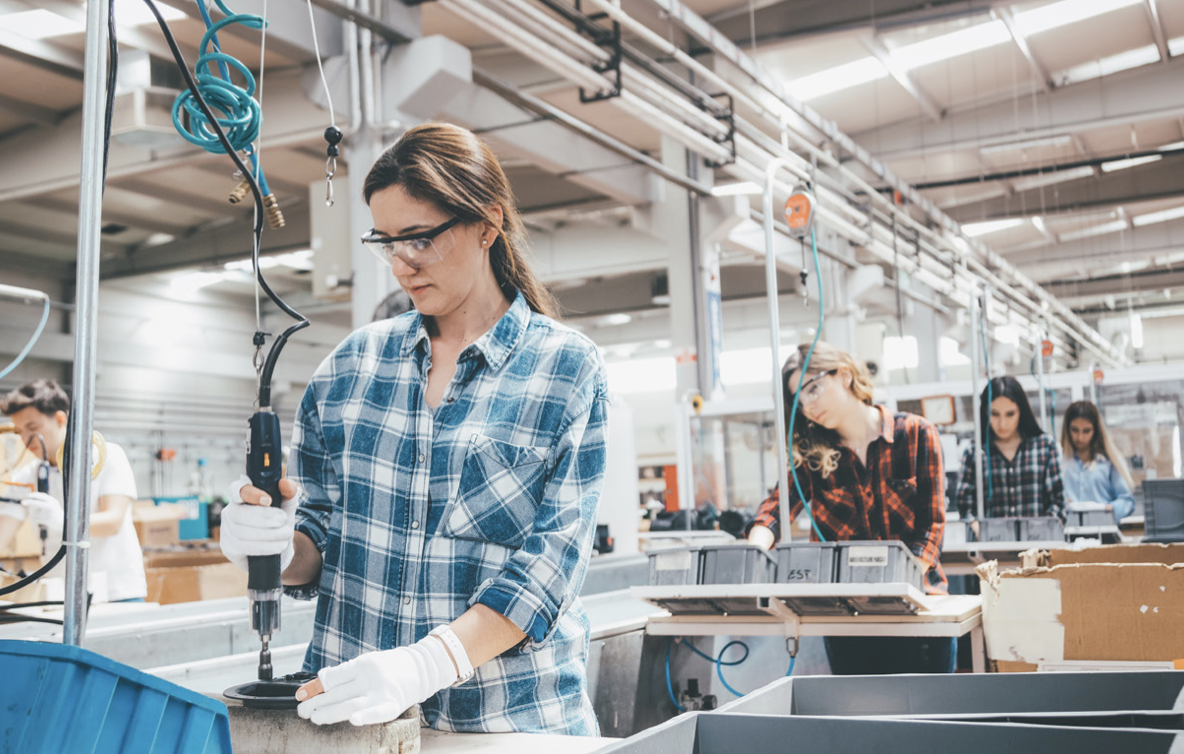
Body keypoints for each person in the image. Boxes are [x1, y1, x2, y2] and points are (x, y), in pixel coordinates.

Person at [218, 123, 609, 733]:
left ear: (487, 224)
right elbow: (319, 543)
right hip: (356, 725)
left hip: (509, 725)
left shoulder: (564, 368)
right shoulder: (350, 367)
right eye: (387, 242)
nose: (402, 262)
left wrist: (430, 664)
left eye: (420, 239)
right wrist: (267, 545)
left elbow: (547, 568)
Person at [746, 342, 952, 674]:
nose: (808, 406)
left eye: (812, 389)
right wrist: (751, 555)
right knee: (858, 719)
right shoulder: (815, 455)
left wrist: (894, 587)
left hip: (918, 610)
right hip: (847, 617)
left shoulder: (915, 433)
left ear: (843, 375)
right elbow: (776, 509)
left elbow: (932, 528)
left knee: (927, 718)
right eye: (799, 400)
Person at [0, 379, 146, 602]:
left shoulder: (106, 456)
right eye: (19, 431)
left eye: (32, 428)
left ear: (60, 419)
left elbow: (112, 522)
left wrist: (64, 521)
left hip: (116, 592)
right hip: (62, 598)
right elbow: (3, 532)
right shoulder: (28, 476)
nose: (26, 439)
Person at [955, 376, 1064, 521]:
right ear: (985, 412)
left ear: (1021, 411)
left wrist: (1043, 532)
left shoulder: (1045, 447)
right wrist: (977, 529)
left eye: (1010, 414)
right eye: (995, 414)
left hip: (1039, 540)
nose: (1002, 423)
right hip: (991, 542)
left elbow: (1058, 502)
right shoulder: (974, 452)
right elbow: (965, 507)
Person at [1060, 400, 1136, 522]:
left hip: (1104, 531)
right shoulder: (1059, 461)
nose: (1080, 437)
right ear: (1067, 429)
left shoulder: (1109, 461)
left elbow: (1127, 501)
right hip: (1068, 532)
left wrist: (1110, 510)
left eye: (1086, 431)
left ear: (1096, 430)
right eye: (1075, 430)